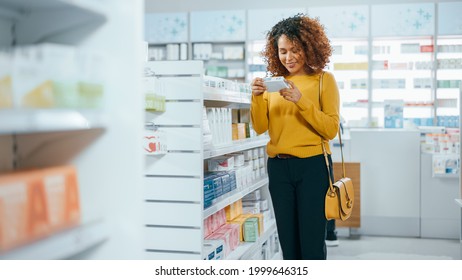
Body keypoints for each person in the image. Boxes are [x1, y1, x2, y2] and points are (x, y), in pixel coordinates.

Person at [250, 14, 340, 260]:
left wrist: (301, 101)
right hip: (279, 167)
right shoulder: (273, 85)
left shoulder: (324, 80)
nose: (288, 58)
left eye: (295, 50)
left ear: (309, 48)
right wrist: (257, 97)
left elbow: (330, 128)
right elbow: (259, 127)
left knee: (311, 245)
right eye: (282, 51)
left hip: (313, 167)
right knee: (288, 245)